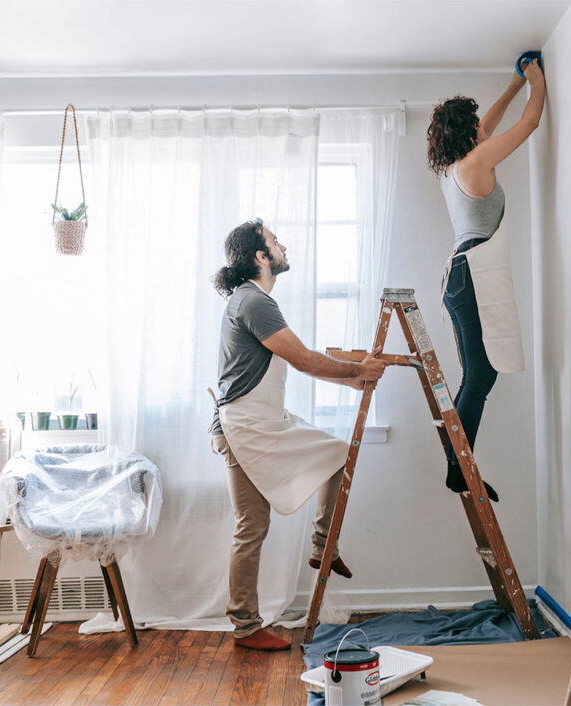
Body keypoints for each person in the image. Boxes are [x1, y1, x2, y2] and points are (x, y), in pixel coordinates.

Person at [210, 218, 387, 651]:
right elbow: (304, 360)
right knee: (251, 526)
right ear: (260, 256)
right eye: (274, 241)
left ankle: (322, 542)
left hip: (258, 419)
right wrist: (358, 373)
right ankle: (247, 626)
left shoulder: (248, 300)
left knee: (334, 456)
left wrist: (353, 379)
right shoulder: (254, 302)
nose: (282, 245)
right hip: (249, 424)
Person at [427, 58, 546, 502]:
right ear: (468, 133)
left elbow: (490, 125)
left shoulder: (455, 167)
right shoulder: (476, 161)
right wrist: (535, 82)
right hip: (470, 272)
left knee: (477, 374)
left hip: (460, 273)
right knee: (479, 375)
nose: (484, 127)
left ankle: (458, 463)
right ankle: (458, 467)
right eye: (476, 125)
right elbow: (530, 124)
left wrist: (514, 84)